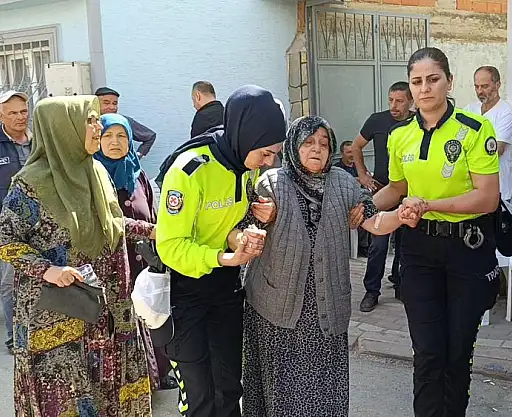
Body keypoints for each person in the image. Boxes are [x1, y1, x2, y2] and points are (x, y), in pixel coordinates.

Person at [241, 115, 419, 417]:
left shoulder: (343, 183)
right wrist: (259, 219)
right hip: (276, 308)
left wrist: (400, 216)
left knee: (323, 391)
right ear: (294, 145)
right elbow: (246, 230)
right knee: (282, 391)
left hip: (325, 308)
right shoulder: (271, 183)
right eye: (309, 142)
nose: (317, 149)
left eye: (324, 144)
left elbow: (373, 221)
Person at [0, 95, 155, 416]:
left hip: (109, 307)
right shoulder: (31, 184)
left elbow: (110, 222)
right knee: (69, 401)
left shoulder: (95, 172)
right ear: (64, 128)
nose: (98, 128)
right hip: (57, 316)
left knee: (111, 395)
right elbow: (6, 239)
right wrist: (46, 269)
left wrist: (153, 231)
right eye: (90, 121)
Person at [373, 47, 502, 416]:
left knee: (457, 354)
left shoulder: (475, 129)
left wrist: (428, 204)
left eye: (433, 79)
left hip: (467, 250)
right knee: (428, 354)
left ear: (449, 82)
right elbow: (396, 189)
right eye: (417, 81)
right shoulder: (399, 136)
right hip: (418, 251)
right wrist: (357, 207)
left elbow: (487, 198)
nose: (425, 88)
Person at [156, 85, 286, 417]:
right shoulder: (190, 170)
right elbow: (169, 245)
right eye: (265, 153)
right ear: (245, 134)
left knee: (229, 389)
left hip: (225, 288)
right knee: (200, 397)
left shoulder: (246, 166)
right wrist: (222, 257)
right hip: (185, 292)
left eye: (274, 154)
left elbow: (229, 224)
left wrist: (240, 237)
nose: (269, 162)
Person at [93, 113, 178, 390]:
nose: (115, 142)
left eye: (122, 136)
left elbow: (153, 212)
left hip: (145, 258)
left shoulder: (138, 174)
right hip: (114, 263)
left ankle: (158, 373)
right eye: (107, 136)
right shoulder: (92, 176)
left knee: (151, 312)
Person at [352, 81, 414, 311]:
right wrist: (362, 175)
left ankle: (400, 284)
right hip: (382, 192)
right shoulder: (377, 121)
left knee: (405, 244)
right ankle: (371, 291)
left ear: (410, 101)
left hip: (408, 193)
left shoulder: (417, 123)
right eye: (391, 100)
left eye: (399, 101)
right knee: (378, 244)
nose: (394, 106)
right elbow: (356, 146)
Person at [0, 90, 32, 354]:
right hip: (7, 227)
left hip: (42, 225)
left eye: (23, 111)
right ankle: (14, 337)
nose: (20, 117)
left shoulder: (39, 141)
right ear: (1, 116)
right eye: (12, 113)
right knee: (10, 281)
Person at [464, 66, 512, 202]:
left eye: (485, 86)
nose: (479, 91)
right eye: (476, 87)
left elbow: (496, 150)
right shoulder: (469, 109)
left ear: (497, 85)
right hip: (470, 190)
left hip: (499, 190)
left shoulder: (507, 112)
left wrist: (468, 150)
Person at [95, 86, 157, 158]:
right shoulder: (89, 124)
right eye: (106, 103)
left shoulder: (123, 122)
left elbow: (150, 136)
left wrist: (138, 155)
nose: (112, 107)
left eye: (115, 103)